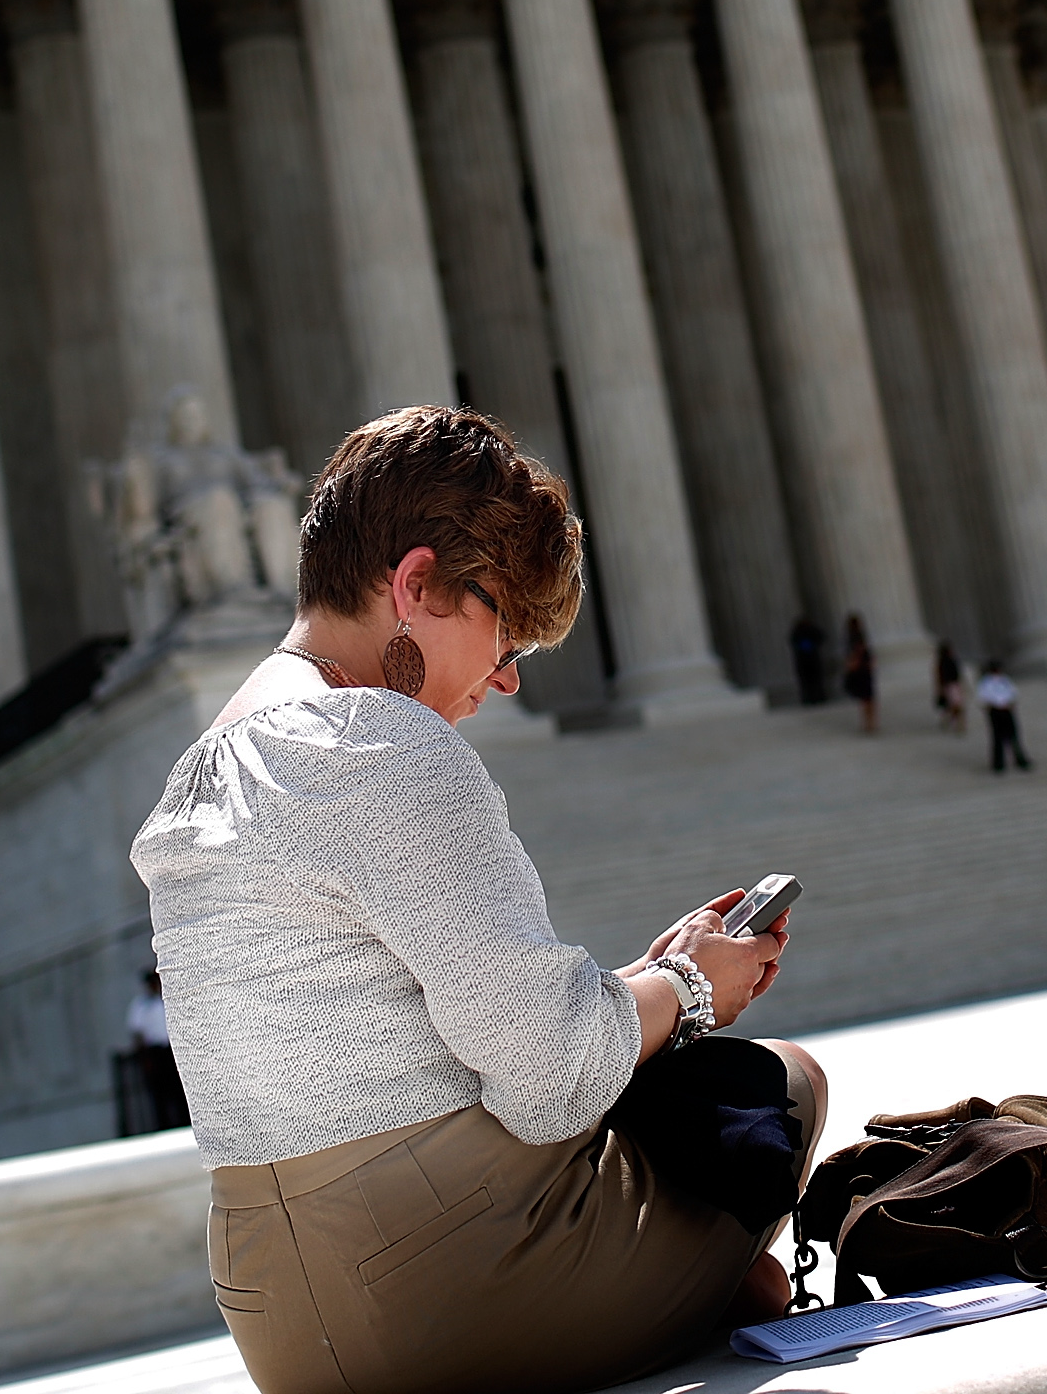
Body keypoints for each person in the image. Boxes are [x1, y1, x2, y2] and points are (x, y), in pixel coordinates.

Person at [132, 406, 827, 1394]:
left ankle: (710, 1291)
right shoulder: (381, 743)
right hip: (440, 1291)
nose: (502, 682)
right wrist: (691, 988)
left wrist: (639, 983)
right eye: (506, 637)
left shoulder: (203, 770)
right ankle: (710, 1291)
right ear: (415, 586)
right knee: (782, 1085)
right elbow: (547, 1080)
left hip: (271, 1315)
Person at [129, 970, 189, 1132]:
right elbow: (137, 1032)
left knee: (180, 1088)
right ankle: (164, 1126)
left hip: (172, 1049)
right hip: (155, 1052)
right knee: (159, 1091)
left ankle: (184, 1122)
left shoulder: (167, 999)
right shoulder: (141, 1005)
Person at [978, 660, 1031, 774]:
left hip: (1006, 709)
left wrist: (1010, 703)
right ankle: (998, 763)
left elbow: (1013, 692)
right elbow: (984, 698)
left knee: (1013, 735)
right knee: (997, 738)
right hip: (995, 711)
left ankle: (1020, 759)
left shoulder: (1004, 680)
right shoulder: (986, 683)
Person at [841, 614, 877, 733]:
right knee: (868, 698)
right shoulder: (858, 638)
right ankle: (870, 723)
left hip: (860, 670)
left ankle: (868, 723)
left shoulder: (853, 638)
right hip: (863, 670)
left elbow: (853, 655)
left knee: (865, 699)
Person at [788, 616, 827, 707]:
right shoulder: (808, 631)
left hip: (806, 660)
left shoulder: (799, 632)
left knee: (808, 681)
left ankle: (811, 698)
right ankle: (816, 697)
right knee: (813, 680)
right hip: (810, 659)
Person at [932, 641, 967, 735]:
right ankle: (957, 724)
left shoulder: (950, 660)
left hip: (953, 685)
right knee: (955, 706)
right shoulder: (944, 662)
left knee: (955, 706)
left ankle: (957, 723)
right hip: (950, 686)